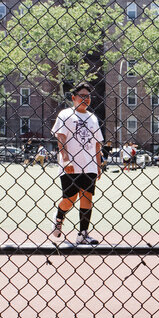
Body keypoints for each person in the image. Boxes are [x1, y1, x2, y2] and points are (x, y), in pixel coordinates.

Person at [48, 82, 103, 245]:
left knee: (87, 197)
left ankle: (83, 234)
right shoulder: (65, 114)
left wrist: (98, 165)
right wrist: (65, 159)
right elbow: (61, 137)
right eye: (82, 96)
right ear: (73, 98)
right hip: (71, 165)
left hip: (89, 165)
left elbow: (97, 143)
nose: (86, 99)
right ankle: (59, 217)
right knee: (70, 199)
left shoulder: (93, 118)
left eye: (88, 96)